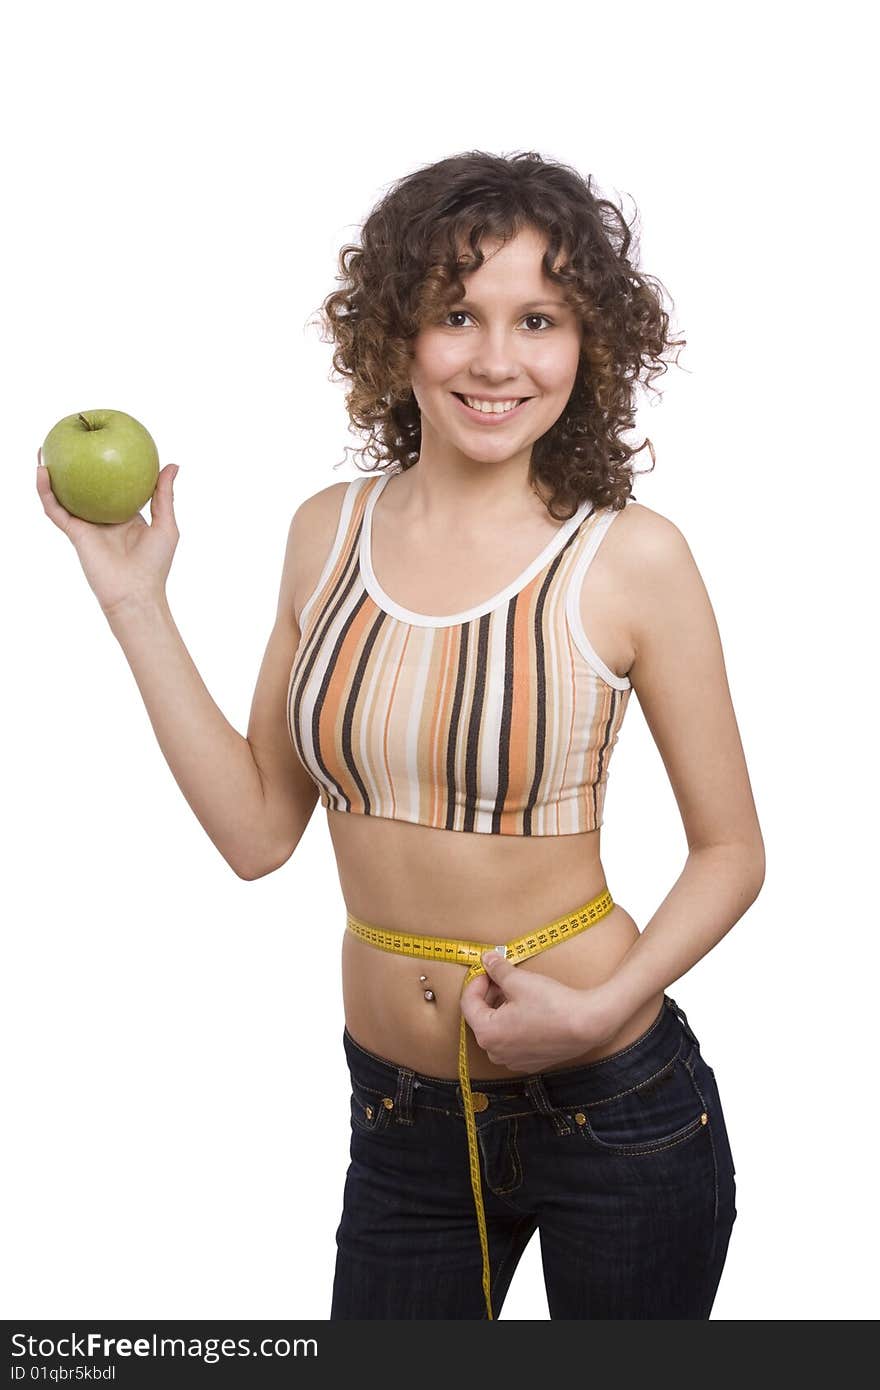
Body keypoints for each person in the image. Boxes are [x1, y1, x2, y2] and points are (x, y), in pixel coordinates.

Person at [36, 150, 765, 1320]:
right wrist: (135, 601)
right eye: (455, 315)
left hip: (609, 1108)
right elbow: (256, 832)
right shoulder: (327, 532)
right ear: (394, 337)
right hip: (400, 1122)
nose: (495, 359)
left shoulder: (631, 558)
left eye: (539, 318)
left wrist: (591, 1009)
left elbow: (731, 851)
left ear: (589, 344)